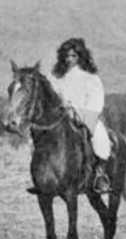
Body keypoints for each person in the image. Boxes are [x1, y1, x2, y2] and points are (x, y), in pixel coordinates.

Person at [43, 37, 112, 194]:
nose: (70, 59)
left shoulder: (91, 78)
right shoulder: (56, 77)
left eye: (73, 56)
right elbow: (51, 94)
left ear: (81, 56)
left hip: (85, 114)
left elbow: (97, 101)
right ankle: (44, 174)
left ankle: (100, 174)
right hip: (62, 115)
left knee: (98, 136)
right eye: (67, 56)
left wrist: (82, 112)